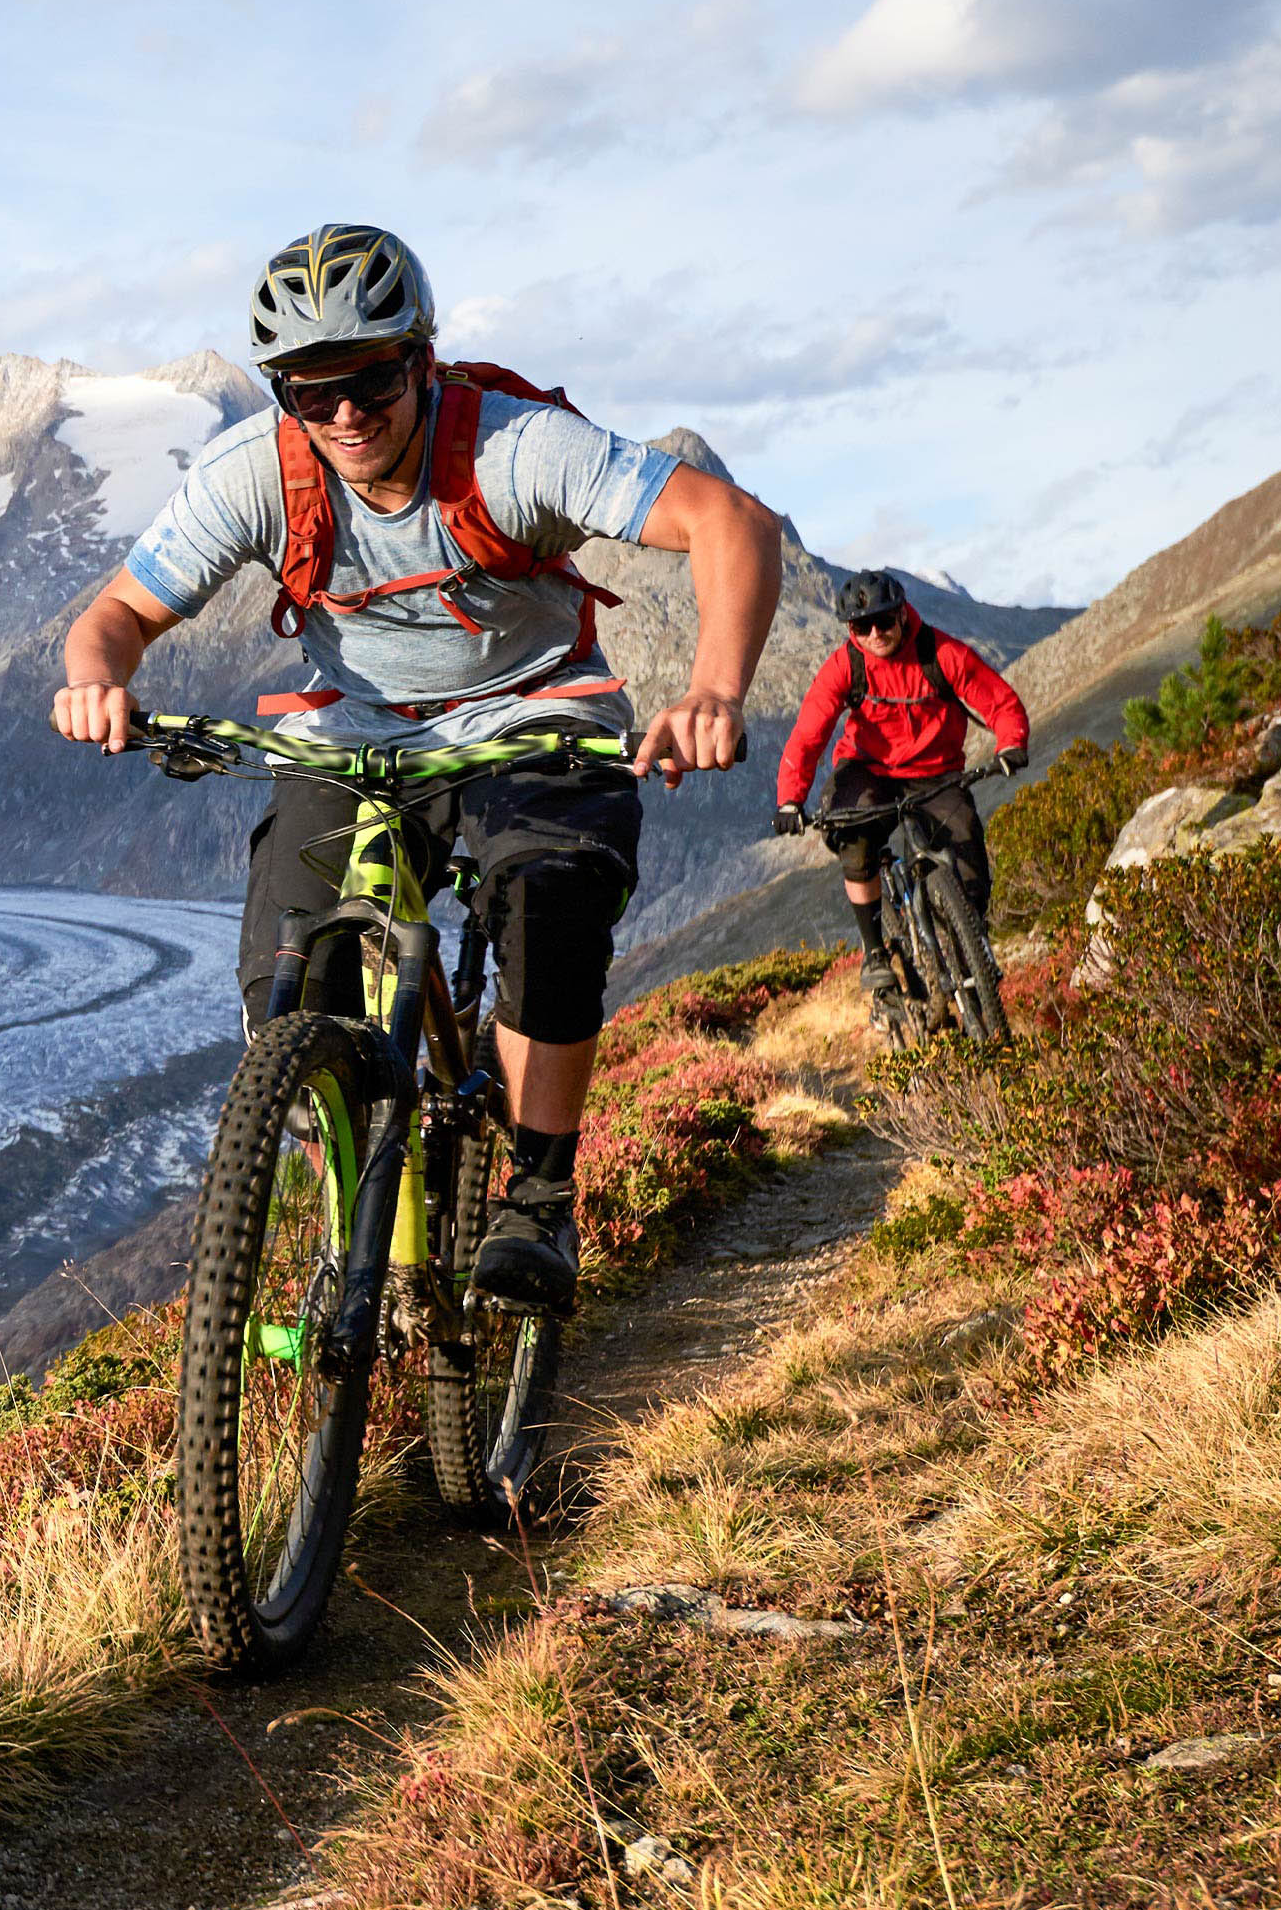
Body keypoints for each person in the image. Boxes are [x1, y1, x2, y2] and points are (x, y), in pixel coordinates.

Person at [52, 224, 783, 1313]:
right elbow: (111, 615)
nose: (346, 412)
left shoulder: (515, 449)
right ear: (282, 390)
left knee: (550, 901)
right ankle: (361, 1233)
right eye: (312, 388)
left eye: (373, 378)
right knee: (282, 970)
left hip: (536, 710)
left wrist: (715, 690)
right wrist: (98, 678)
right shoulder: (259, 472)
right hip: (355, 730)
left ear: (421, 358)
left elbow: (730, 522)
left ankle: (538, 1192)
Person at [769, 568, 1030, 1006]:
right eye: (862, 627)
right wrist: (790, 798)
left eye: (884, 621)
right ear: (851, 629)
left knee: (967, 862)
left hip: (937, 772)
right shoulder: (845, 666)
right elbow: (809, 734)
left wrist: (1012, 743)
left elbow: (997, 700)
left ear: (902, 615)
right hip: (868, 769)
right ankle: (875, 953)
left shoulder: (940, 653)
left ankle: (970, 954)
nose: (875, 634)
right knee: (855, 842)